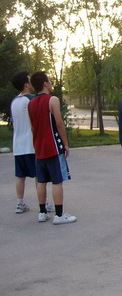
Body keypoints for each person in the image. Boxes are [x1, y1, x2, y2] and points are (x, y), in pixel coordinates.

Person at [28, 71, 76, 224]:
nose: (50, 82)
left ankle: (42, 212)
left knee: (41, 180)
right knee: (57, 181)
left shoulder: (31, 103)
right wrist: (65, 144)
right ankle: (59, 215)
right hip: (53, 146)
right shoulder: (52, 100)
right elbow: (59, 123)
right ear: (45, 83)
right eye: (49, 80)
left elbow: (32, 127)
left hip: (39, 147)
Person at [10, 71, 54, 214]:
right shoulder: (31, 99)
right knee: (39, 176)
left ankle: (19, 203)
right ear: (26, 85)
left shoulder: (14, 101)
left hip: (18, 145)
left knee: (20, 175)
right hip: (31, 144)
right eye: (30, 81)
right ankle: (44, 203)